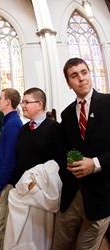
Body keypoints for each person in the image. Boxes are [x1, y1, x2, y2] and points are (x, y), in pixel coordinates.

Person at [52, 57, 110, 249]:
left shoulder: (107, 103)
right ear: (69, 84)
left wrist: (96, 163)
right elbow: (67, 149)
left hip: (101, 194)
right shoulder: (67, 114)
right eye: (74, 76)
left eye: (84, 72)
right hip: (72, 193)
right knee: (60, 245)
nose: (81, 79)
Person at [4, 87, 65, 250]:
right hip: (22, 193)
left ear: (39, 104)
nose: (22, 105)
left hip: (41, 195)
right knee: (21, 237)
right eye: (22, 102)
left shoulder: (54, 129)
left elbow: (58, 164)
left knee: (39, 239)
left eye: (26, 102)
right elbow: (20, 159)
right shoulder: (23, 130)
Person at [0, 88, 23, 250]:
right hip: (2, 177)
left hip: (4, 180)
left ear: (8, 102)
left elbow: (10, 160)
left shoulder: (13, 125)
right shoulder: (10, 121)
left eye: (1, 98)